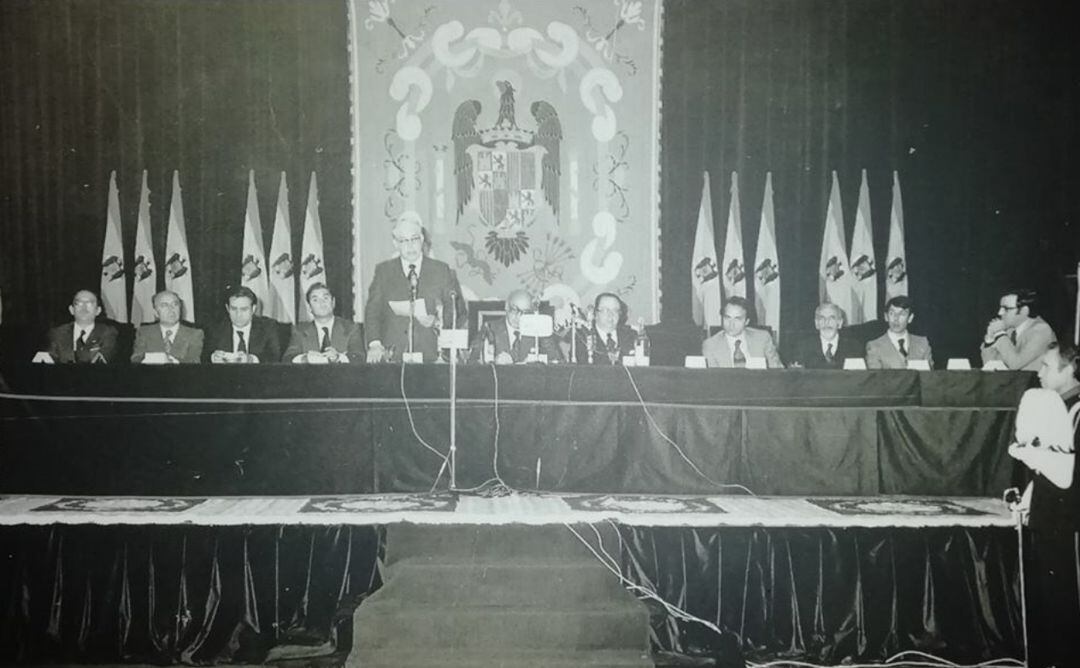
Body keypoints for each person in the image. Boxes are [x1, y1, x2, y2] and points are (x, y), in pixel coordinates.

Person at [1010, 343, 1080, 668]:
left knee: (1066, 598)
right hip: (1047, 515)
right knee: (1047, 597)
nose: (1039, 372)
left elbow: (1070, 475)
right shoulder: (1054, 406)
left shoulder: (1077, 411)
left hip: (1069, 522)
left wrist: (1031, 455)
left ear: (1069, 371)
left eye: (1047, 366)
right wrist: (1030, 497)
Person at [364, 213, 464, 363]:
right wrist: (375, 344)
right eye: (403, 241)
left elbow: (457, 311)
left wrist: (437, 322)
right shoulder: (383, 271)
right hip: (393, 356)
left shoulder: (441, 270)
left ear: (422, 239)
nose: (410, 245)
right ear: (395, 243)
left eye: (415, 239)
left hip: (432, 357)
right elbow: (372, 312)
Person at [471, 289, 563, 364]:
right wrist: (494, 362)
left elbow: (557, 361)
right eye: (515, 310)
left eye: (525, 312)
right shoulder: (490, 328)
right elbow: (473, 362)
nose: (519, 317)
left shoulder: (538, 330)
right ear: (506, 306)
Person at [284, 283, 365, 363]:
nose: (321, 302)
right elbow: (288, 358)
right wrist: (305, 358)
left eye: (325, 298)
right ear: (309, 308)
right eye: (315, 300)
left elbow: (359, 357)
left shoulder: (351, 328)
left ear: (333, 303)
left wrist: (339, 357)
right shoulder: (299, 331)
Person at [981, 288, 1056, 370]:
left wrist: (999, 333)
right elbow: (991, 367)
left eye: (1006, 309)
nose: (1000, 312)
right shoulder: (1010, 331)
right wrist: (990, 340)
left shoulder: (1041, 330)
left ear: (1024, 311)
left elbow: (1015, 364)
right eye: (1000, 308)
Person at [205, 286, 281, 363]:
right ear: (227, 308)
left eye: (244, 309)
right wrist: (213, 357)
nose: (238, 315)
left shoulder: (268, 327)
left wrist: (251, 359)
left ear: (253, 309)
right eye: (234, 309)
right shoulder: (216, 328)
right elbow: (204, 356)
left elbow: (274, 357)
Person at [702, 296, 782, 368]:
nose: (731, 324)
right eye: (727, 318)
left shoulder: (763, 338)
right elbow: (714, 380)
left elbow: (778, 372)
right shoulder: (710, 345)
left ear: (746, 321)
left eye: (737, 319)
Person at [46, 289, 119, 363]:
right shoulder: (57, 333)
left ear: (98, 310)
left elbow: (101, 361)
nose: (84, 308)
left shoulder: (108, 333)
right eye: (79, 303)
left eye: (89, 303)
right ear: (71, 310)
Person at [131, 290, 204, 364]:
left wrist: (170, 362)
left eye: (175, 304)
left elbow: (194, 361)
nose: (171, 309)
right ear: (155, 313)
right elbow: (136, 359)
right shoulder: (144, 332)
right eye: (164, 305)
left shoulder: (195, 334)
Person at [865, 296, 932, 369]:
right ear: (886, 317)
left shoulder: (922, 343)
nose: (896, 318)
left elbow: (929, 377)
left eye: (902, 314)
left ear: (910, 318)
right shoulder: (874, 346)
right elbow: (875, 379)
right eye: (892, 313)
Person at [790, 302, 861, 369]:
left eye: (831, 318)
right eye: (822, 318)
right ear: (816, 323)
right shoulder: (803, 347)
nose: (826, 322)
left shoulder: (853, 347)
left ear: (839, 323)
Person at [572, 292, 637, 365]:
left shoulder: (631, 336)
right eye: (605, 310)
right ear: (595, 314)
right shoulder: (582, 337)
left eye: (615, 310)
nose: (611, 315)